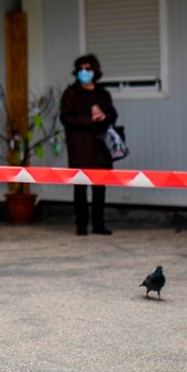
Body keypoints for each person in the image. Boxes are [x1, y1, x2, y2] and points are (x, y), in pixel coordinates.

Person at [59, 54, 118, 236]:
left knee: (100, 187)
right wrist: (89, 119)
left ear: (95, 71)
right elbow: (66, 118)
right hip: (80, 147)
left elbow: (113, 115)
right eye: (81, 69)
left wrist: (104, 117)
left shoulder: (103, 93)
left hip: (100, 148)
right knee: (80, 187)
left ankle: (99, 224)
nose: (84, 72)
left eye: (88, 69)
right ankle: (81, 224)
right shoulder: (71, 93)